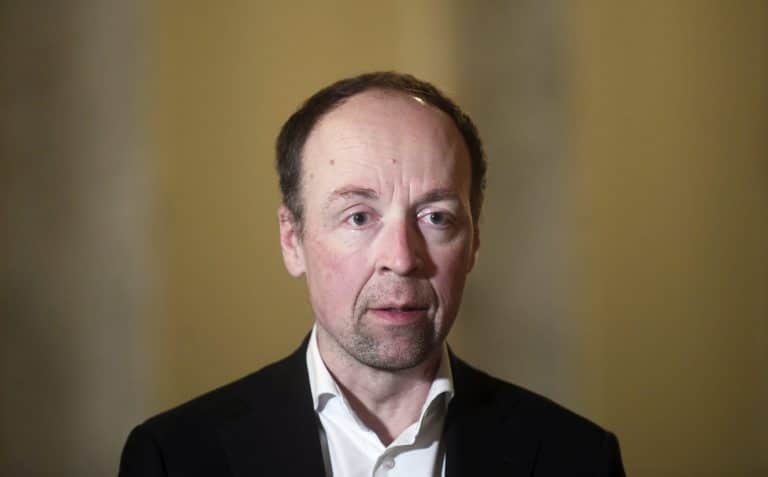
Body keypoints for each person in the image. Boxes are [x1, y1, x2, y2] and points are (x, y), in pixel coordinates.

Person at [119, 71, 625, 476]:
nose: (402, 258)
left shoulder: (578, 458)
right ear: (292, 240)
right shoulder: (174, 458)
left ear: (474, 242)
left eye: (436, 218)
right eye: (359, 217)